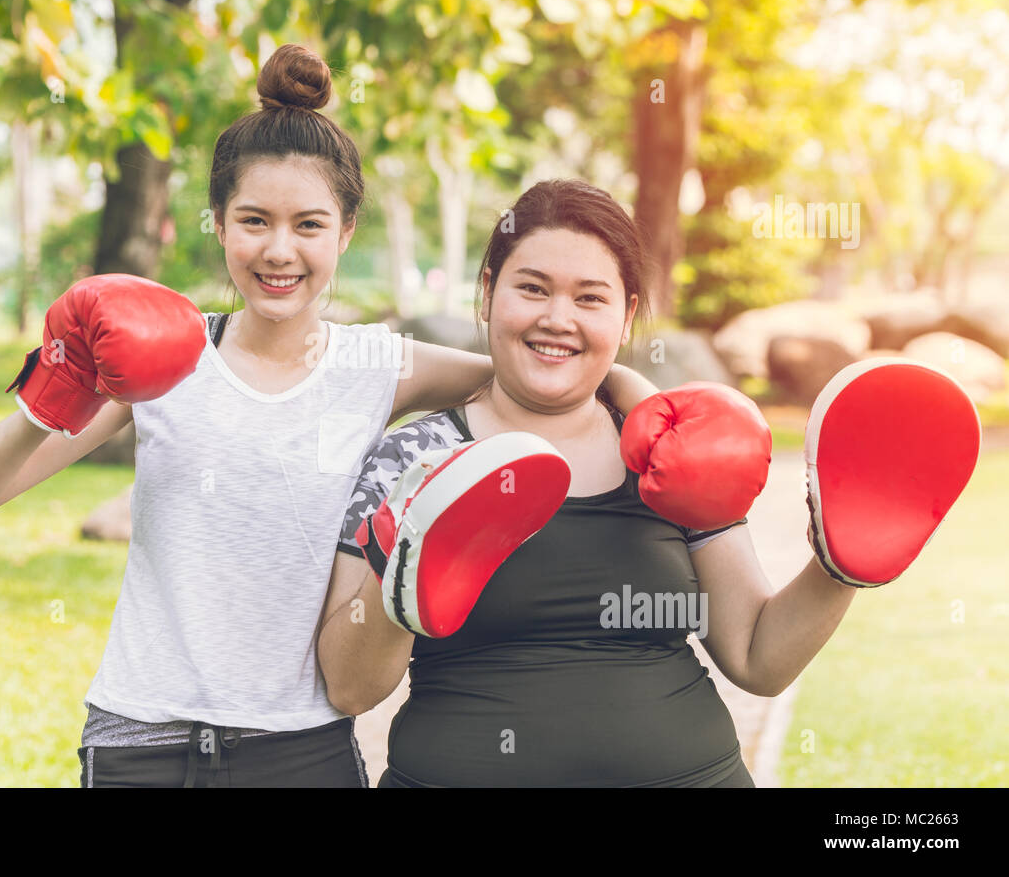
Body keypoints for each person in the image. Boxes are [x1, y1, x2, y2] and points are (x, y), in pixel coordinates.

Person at [0, 47, 656, 787]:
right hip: (141, 741)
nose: (280, 250)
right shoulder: (163, 362)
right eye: (254, 220)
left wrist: (641, 400)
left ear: (345, 232)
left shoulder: (380, 366)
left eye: (308, 224)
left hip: (302, 750)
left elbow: (539, 375)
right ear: (217, 223)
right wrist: (57, 388)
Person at [318, 178, 860, 787]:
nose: (557, 319)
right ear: (489, 294)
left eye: (590, 298)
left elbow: (759, 658)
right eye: (532, 288)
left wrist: (840, 564)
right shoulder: (413, 457)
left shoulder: (671, 453)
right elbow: (349, 687)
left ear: (626, 315)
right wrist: (403, 563)